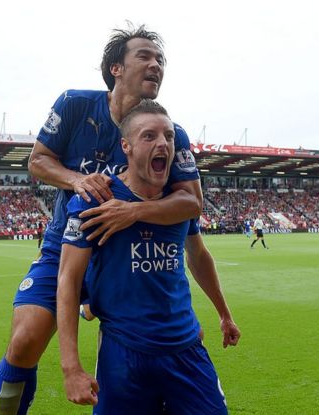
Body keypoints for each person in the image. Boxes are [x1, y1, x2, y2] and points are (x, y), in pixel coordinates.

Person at [0, 24, 203, 415]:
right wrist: (77, 180)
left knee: (141, 355)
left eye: (160, 60)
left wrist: (133, 211)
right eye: (145, 56)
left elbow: (191, 202)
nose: (156, 65)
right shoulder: (74, 105)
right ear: (115, 68)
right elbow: (37, 161)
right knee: (24, 341)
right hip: (65, 244)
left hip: (126, 257)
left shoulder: (171, 135)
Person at [58, 100, 237, 414]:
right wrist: (71, 367)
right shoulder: (96, 200)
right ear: (126, 146)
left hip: (186, 349)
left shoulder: (179, 204)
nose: (163, 144)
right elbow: (68, 280)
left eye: (168, 136)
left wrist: (224, 313)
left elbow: (198, 256)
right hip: (124, 354)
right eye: (149, 136)